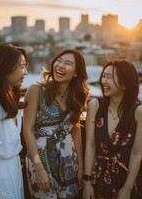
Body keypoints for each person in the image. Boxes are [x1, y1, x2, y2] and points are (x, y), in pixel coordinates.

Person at [23, 49, 90, 199]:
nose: (60, 65)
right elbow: (27, 130)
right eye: (59, 61)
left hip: (67, 159)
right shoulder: (36, 90)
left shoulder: (78, 96)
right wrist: (38, 167)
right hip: (40, 158)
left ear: (76, 73)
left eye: (67, 63)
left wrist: (80, 166)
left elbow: (75, 129)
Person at [83, 59, 142, 199]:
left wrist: (127, 187)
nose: (104, 81)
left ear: (124, 83)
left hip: (126, 177)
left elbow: (136, 153)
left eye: (109, 77)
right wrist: (87, 182)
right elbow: (90, 146)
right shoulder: (95, 106)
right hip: (98, 176)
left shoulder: (138, 112)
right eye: (103, 76)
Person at [0, 43, 28, 199]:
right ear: (5, 68)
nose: (26, 72)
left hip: (14, 170)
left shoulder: (10, 99)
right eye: (22, 67)